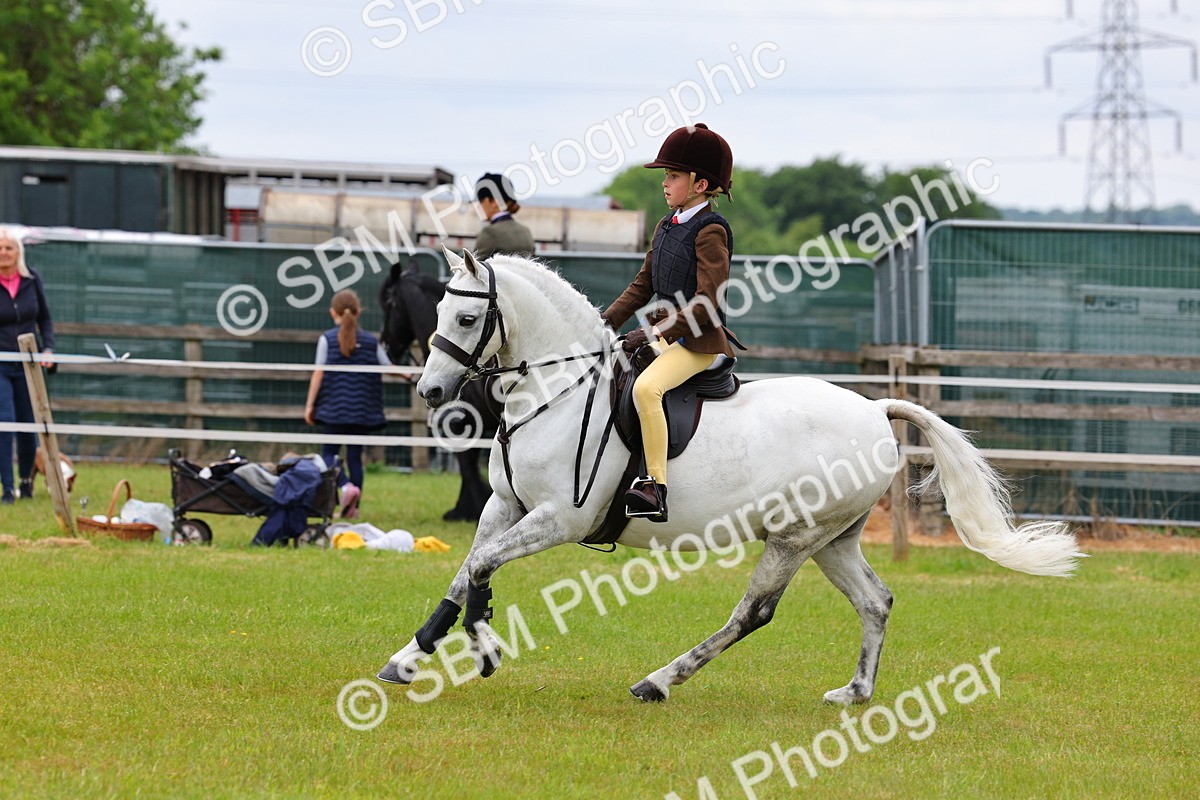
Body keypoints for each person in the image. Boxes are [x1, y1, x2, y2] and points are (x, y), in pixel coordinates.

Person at [600, 123, 740, 523]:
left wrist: (653, 331)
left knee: (647, 388)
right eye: (666, 175)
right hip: (667, 338)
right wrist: (604, 322)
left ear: (699, 184)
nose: (665, 183)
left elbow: (707, 303)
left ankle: (654, 486)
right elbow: (641, 286)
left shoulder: (710, 231)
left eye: (673, 175)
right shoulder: (666, 225)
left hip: (699, 343)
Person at [304, 289, 388, 519]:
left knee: (328, 454)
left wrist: (310, 406)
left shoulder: (327, 339)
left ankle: (345, 487)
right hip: (362, 412)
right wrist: (411, 376)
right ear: (359, 312)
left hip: (333, 411)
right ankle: (354, 508)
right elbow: (389, 367)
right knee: (354, 457)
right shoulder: (371, 341)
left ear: (333, 312)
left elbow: (318, 373)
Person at [0, 227, 54, 504]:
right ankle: (7, 488)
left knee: (27, 424)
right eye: (0, 248)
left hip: (29, 364)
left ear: (18, 252)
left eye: (8, 248)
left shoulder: (32, 280)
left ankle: (26, 483)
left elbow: (45, 319)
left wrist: (49, 348)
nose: (4, 253)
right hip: (1, 363)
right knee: (4, 423)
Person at [472, 172, 535, 260]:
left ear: (494, 202)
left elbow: (473, 269)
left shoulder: (490, 233)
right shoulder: (525, 231)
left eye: (481, 201)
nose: (478, 206)